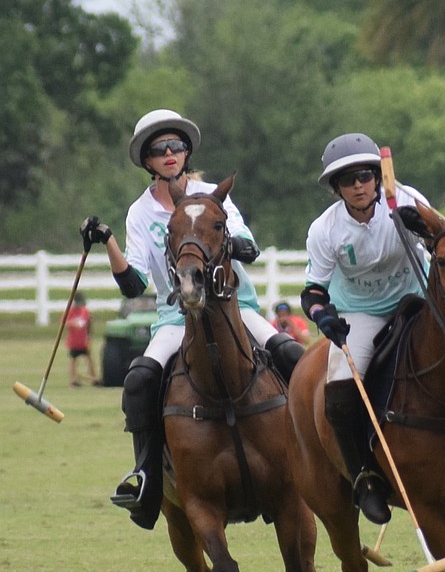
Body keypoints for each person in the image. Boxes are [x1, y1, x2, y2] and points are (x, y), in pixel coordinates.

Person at [80, 109, 304, 530]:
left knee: (294, 355)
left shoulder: (212, 194)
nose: (169, 154)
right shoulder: (141, 213)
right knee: (140, 379)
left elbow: (249, 248)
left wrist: (209, 234)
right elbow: (134, 284)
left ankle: (317, 456)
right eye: (159, 149)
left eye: (176, 146)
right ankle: (146, 475)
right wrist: (107, 241)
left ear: (186, 153)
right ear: (147, 161)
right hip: (175, 317)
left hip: (237, 308)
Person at [300, 133, 432, 525]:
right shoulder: (325, 230)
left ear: (377, 176)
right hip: (361, 312)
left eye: (364, 175)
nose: (358, 185)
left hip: (416, 297)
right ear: (336, 188)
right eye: (347, 179)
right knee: (339, 393)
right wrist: (323, 317)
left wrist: (421, 225)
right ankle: (364, 477)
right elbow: (313, 292)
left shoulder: (405, 200)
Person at [66, 292, 98, 386]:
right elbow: (65, 323)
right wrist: (74, 323)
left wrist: (89, 338)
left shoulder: (85, 311)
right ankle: (73, 380)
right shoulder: (70, 311)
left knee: (89, 359)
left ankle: (93, 378)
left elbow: (89, 325)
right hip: (74, 341)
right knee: (73, 360)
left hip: (83, 341)